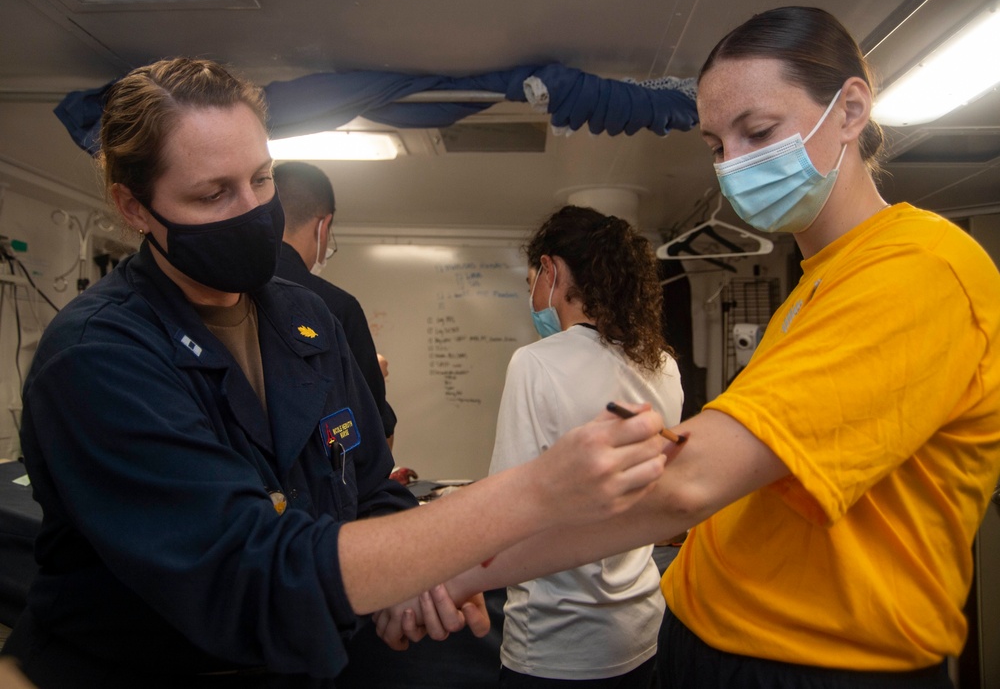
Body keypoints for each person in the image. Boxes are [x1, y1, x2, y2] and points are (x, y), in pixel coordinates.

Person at [378, 6, 1000, 689]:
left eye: (758, 131)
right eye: (715, 145)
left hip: (812, 666)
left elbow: (685, 483)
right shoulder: (818, 288)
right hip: (705, 639)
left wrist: (450, 563)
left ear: (851, 109)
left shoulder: (920, 270)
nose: (734, 166)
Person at [0, 56, 670, 689]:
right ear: (134, 208)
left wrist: (417, 579)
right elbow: (250, 571)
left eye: (260, 179)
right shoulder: (97, 358)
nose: (253, 210)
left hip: (309, 661)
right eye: (212, 194)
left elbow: (371, 489)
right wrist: (532, 494)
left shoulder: (303, 317)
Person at [489, 205, 683, 687]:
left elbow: (503, 508)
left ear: (551, 271)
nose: (531, 294)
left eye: (533, 278)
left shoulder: (535, 363)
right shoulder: (663, 366)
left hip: (557, 641)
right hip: (641, 627)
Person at [273, 161, 398, 448]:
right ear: (323, 225)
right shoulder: (336, 308)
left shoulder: (226, 292)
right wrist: (370, 378)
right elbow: (376, 439)